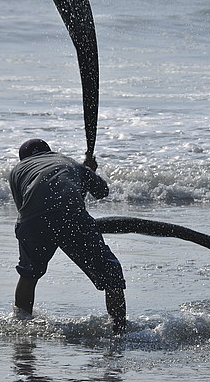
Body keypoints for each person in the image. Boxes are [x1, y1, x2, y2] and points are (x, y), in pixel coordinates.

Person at [8, 138, 127, 334]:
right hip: (72, 217)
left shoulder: (17, 171)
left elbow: (26, 207)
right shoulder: (68, 162)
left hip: (33, 223)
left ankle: (21, 327)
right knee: (111, 277)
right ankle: (119, 330)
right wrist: (88, 171)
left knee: (28, 274)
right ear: (49, 151)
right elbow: (101, 192)